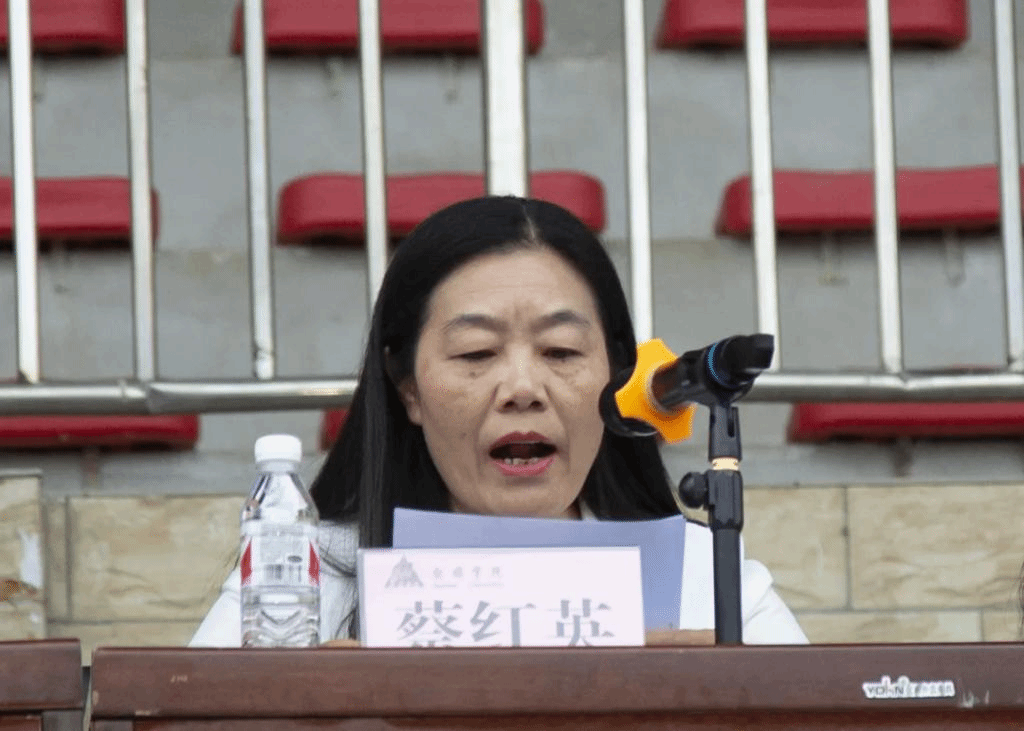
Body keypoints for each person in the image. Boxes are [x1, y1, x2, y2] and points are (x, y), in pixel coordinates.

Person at [190, 196, 808, 646]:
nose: (522, 390)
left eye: (561, 351)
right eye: (476, 354)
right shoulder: (305, 575)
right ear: (408, 387)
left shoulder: (704, 577)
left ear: (616, 376)